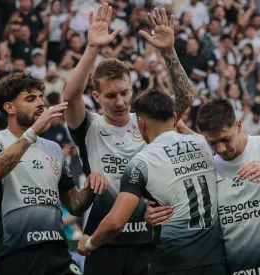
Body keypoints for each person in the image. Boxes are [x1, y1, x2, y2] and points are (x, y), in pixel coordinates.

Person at [63, 5, 194, 275]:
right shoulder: (89, 125)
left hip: (149, 238)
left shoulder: (148, 122)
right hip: (103, 238)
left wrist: (169, 52)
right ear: (97, 97)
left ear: (132, 88)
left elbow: (184, 99)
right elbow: (70, 96)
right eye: (111, 96)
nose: (121, 102)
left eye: (124, 92)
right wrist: (92, 48)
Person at [146, 99, 260, 275]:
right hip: (235, 269)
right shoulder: (208, 166)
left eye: (225, 139)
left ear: (238, 125)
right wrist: (155, 214)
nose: (221, 148)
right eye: (212, 143)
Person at [77, 90, 227, 275]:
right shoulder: (205, 145)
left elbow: (116, 221)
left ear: (141, 123)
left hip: (172, 262)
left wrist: (90, 244)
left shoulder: (141, 162)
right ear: (173, 117)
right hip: (215, 261)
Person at [0, 72, 108, 275]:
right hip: (17, 254)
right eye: (31, 99)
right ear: (9, 107)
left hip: (58, 253)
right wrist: (33, 132)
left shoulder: (53, 148)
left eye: (41, 97)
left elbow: (74, 205)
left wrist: (92, 185)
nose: (41, 103)